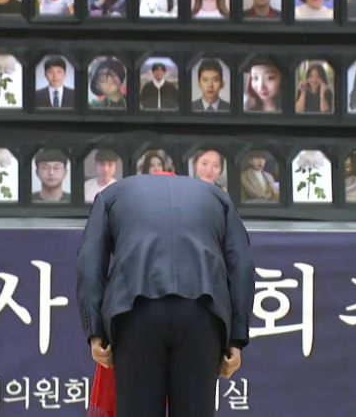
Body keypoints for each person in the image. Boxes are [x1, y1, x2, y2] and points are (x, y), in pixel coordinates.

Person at [76, 173, 254, 417]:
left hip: (134, 312)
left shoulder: (110, 196)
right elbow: (241, 265)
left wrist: (95, 332)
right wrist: (236, 338)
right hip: (202, 313)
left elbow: (89, 263)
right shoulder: (219, 199)